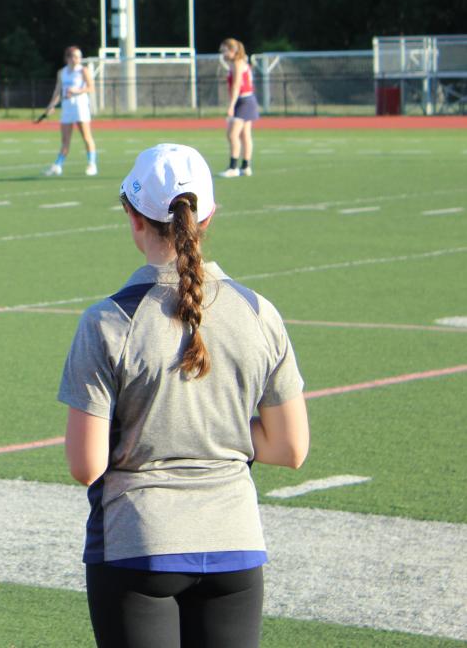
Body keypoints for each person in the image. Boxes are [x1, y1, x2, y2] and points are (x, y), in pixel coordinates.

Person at [59, 143, 309, 648]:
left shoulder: (109, 321)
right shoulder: (259, 312)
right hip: (236, 541)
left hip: (139, 544)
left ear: (133, 217)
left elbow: (86, 464)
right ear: (208, 215)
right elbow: (290, 448)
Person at [43, 45, 99, 177]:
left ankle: (92, 164)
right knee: (65, 140)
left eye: (79, 57)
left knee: (86, 136)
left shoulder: (83, 71)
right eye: (75, 56)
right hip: (67, 108)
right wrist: (51, 106)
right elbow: (58, 91)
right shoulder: (62, 72)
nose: (78, 59)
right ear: (68, 58)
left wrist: (76, 91)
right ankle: (58, 166)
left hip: (80, 107)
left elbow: (91, 88)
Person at [220, 38, 259, 178]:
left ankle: (233, 167)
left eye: (224, 50)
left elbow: (236, 86)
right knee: (244, 135)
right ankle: (246, 166)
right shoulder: (239, 62)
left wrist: (231, 106)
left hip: (243, 101)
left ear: (232, 50)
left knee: (232, 134)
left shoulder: (237, 63)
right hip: (247, 99)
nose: (223, 54)